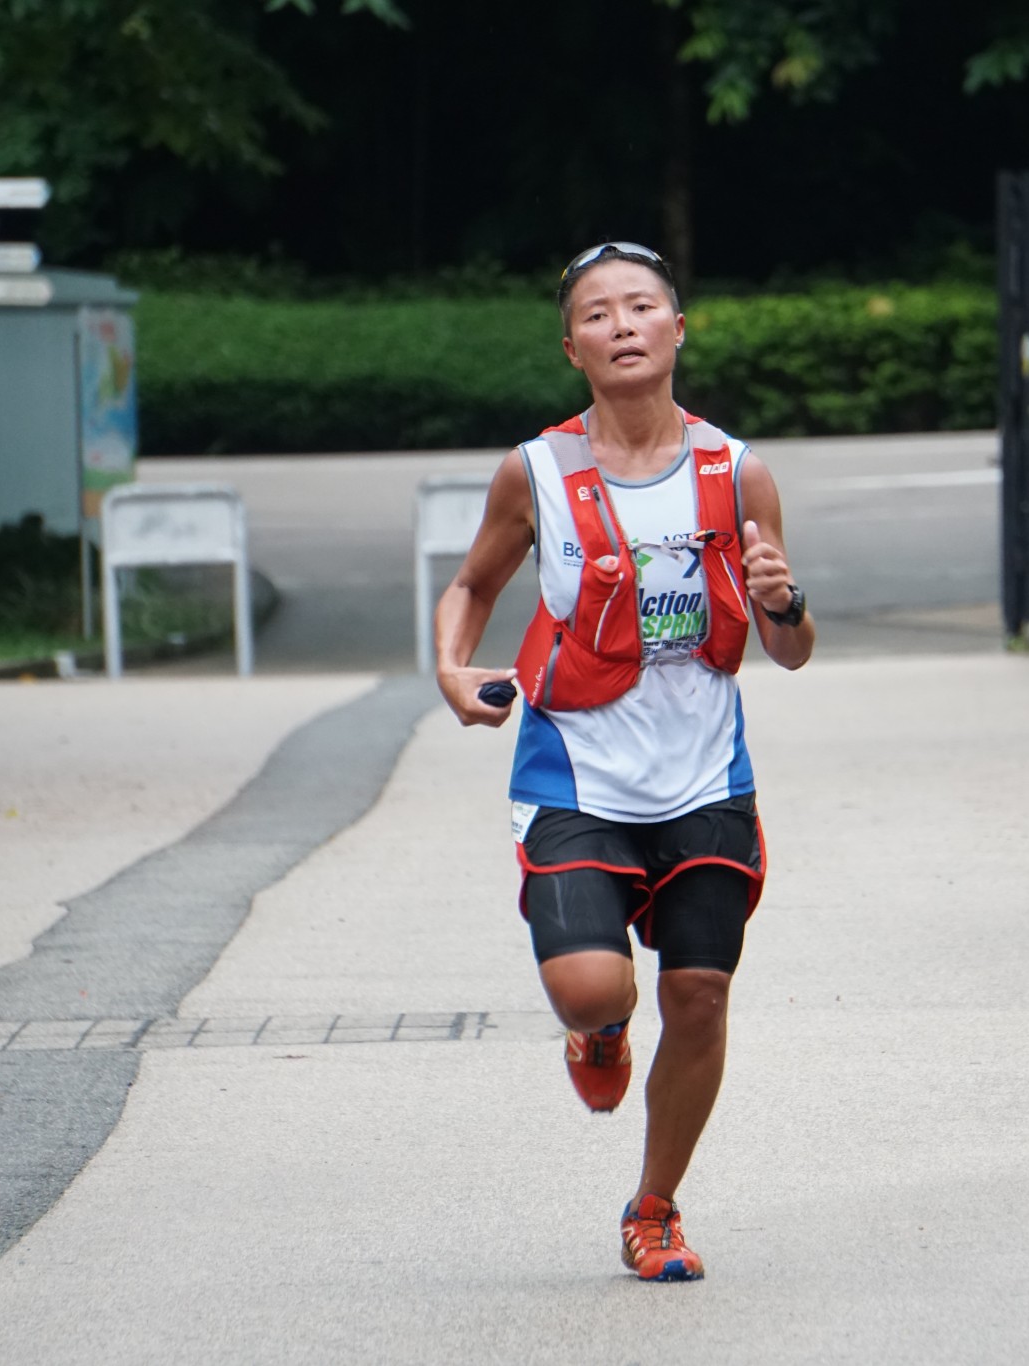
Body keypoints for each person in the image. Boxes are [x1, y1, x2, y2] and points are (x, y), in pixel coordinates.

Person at [432, 241, 815, 1282]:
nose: (622, 325)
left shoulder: (736, 471)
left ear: (676, 329)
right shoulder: (537, 472)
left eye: (641, 307)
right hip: (576, 775)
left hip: (705, 781)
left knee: (698, 998)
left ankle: (654, 1208)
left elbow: (787, 649)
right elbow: (471, 585)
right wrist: (453, 669)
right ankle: (597, 1030)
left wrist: (784, 601)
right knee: (594, 986)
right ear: (573, 348)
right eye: (597, 314)